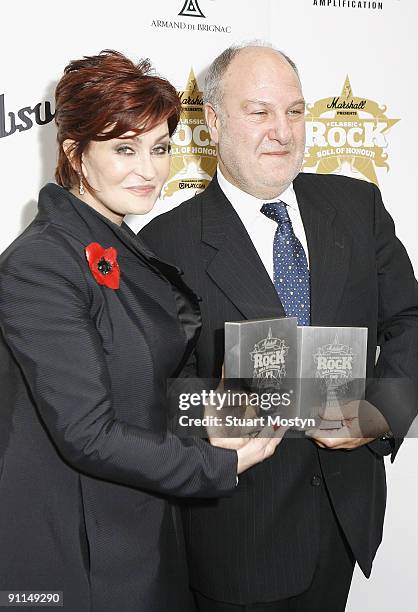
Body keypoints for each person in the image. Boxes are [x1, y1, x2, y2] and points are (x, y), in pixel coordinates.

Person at [0, 50, 282, 612]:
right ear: (75, 153)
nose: (150, 170)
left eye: (159, 149)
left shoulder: (118, 244)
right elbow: (88, 432)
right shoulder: (42, 262)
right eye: (124, 149)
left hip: (139, 530)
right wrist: (219, 463)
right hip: (78, 556)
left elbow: (139, 386)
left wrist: (212, 411)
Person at [140, 43, 418, 611]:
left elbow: (410, 322)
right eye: (259, 111)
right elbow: (142, 393)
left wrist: (381, 411)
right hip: (238, 539)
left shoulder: (358, 205)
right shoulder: (164, 245)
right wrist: (217, 414)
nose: (283, 131)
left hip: (342, 520)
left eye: (294, 111)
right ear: (213, 122)